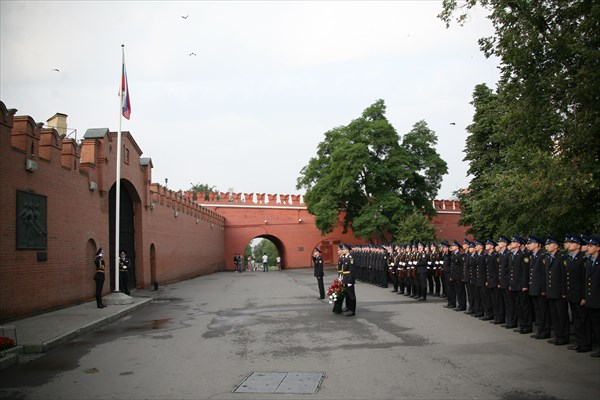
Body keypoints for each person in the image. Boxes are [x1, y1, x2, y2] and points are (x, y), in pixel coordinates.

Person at [581, 235, 600, 357]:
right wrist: (585, 297)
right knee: (596, 325)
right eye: (588, 245)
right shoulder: (589, 262)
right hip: (591, 299)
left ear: (598, 248)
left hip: (598, 299)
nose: (588, 247)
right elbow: (586, 281)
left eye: (591, 245)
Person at [341, 243, 356, 316]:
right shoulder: (345, 257)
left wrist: (350, 280)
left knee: (351, 295)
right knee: (347, 294)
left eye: (343, 249)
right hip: (346, 278)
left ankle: (352, 310)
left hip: (349, 279)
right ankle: (348, 307)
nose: (342, 250)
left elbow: (352, 270)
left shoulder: (350, 258)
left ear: (347, 250)